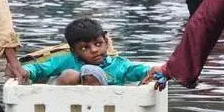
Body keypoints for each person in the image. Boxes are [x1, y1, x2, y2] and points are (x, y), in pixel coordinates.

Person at [22, 18, 152, 86]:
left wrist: (151, 71)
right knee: (71, 75)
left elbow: (137, 70)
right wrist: (27, 71)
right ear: (74, 51)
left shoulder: (118, 65)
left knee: (92, 73)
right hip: (65, 109)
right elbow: (39, 68)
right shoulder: (66, 60)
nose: (94, 50)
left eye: (98, 44)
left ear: (106, 42)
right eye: (85, 48)